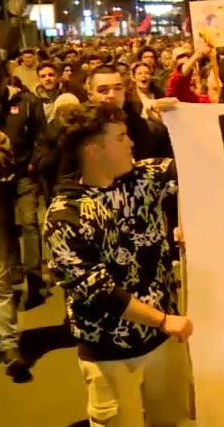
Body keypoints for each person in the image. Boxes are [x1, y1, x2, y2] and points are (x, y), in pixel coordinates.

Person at [44, 100, 193, 427]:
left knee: (173, 420)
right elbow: (99, 292)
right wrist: (163, 320)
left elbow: (200, 163)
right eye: (121, 137)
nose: (132, 143)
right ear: (93, 151)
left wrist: (182, 116)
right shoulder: (64, 215)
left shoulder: (143, 177)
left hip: (163, 342)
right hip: (109, 352)